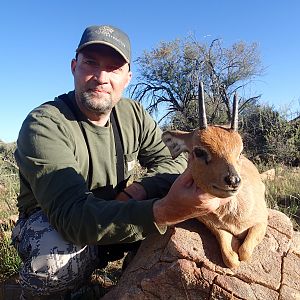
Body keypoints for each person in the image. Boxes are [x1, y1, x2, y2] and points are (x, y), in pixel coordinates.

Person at [12, 25, 230, 299]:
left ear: (127, 78)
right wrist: (163, 211)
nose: (101, 77)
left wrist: (139, 190)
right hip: (62, 226)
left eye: (114, 68)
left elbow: (174, 162)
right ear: (73, 67)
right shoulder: (43, 124)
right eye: (90, 63)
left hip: (119, 211)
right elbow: (71, 218)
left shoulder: (133, 114)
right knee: (55, 256)